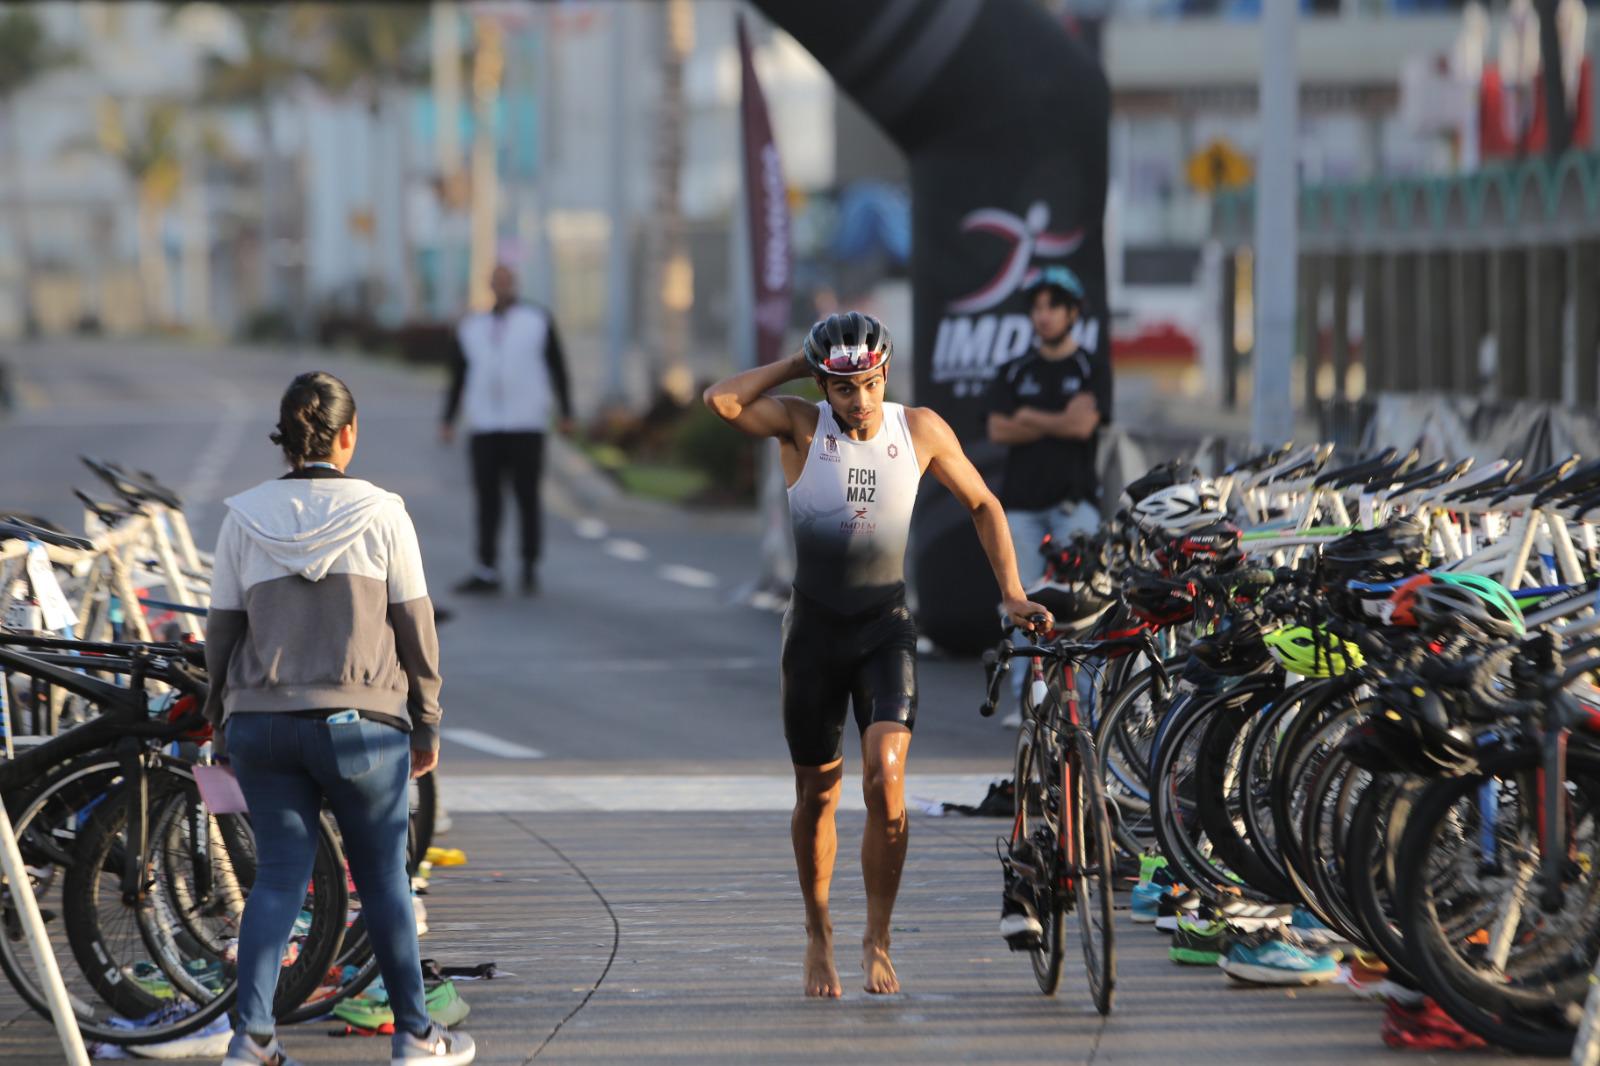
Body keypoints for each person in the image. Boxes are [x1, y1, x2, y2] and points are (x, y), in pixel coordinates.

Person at [702, 312, 1051, 999]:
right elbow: (723, 402)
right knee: (817, 796)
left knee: (886, 781)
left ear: (884, 375)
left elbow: (983, 503)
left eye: (866, 384)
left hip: (884, 628)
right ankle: (819, 931)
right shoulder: (803, 425)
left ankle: (878, 938)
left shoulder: (917, 430)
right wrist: (798, 368)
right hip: (813, 635)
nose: (857, 402)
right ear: (824, 387)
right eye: (842, 389)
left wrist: (1011, 590)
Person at [206, 372, 474, 1066]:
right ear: (347, 435)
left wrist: (218, 721)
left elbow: (222, 636)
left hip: (263, 724)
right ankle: (415, 1036)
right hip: (363, 726)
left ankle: (253, 1037)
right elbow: (417, 631)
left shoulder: (243, 516)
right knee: (384, 879)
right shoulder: (383, 513)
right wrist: (428, 723)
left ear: (286, 437)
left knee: (278, 880)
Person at [440, 264, 574, 596]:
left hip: (527, 424)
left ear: (515, 283)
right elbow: (458, 375)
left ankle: (529, 563)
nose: (501, 286)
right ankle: (487, 567)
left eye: (506, 280)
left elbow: (558, 368)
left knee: (527, 496)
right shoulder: (472, 326)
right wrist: (448, 418)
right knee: (487, 500)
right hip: (485, 425)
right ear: (489, 285)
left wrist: (566, 412)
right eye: (495, 281)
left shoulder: (537, 320)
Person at [985, 264, 1105, 585]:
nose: (1044, 316)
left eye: (1053, 306)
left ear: (1073, 312)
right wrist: (1063, 419)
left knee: (1078, 597)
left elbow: (1083, 427)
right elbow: (998, 429)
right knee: (1025, 600)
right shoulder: (1014, 369)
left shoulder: (1090, 367)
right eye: (1037, 308)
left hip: (1075, 506)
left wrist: (1028, 416)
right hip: (1022, 509)